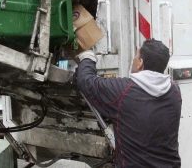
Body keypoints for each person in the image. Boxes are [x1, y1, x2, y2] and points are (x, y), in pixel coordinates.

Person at [76, 39, 182, 167]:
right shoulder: (175, 92)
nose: (134, 60)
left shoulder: (123, 91)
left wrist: (87, 57)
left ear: (140, 63)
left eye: (136, 57)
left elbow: (86, 81)